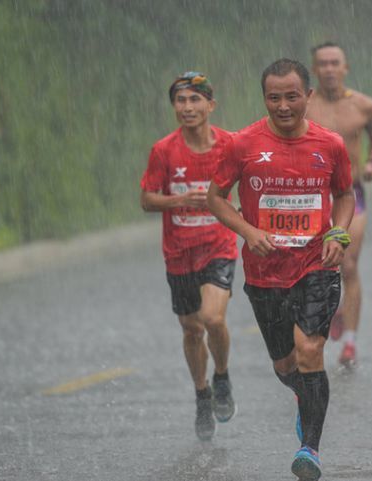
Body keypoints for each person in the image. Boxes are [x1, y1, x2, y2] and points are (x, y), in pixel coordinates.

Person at [207, 58, 354, 481]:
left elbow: (344, 195)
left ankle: (310, 448)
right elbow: (215, 198)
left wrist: (337, 235)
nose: (284, 106)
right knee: (286, 366)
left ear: (308, 95)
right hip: (265, 271)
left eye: (292, 96)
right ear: (264, 98)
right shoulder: (242, 144)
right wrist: (248, 231)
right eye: (275, 98)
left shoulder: (331, 144)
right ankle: (303, 397)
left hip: (316, 265)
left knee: (310, 351)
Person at [140, 72, 238, 442]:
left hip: (219, 245)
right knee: (191, 328)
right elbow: (147, 199)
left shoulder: (230, 144)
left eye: (195, 100)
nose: (187, 108)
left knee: (213, 317)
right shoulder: (164, 151)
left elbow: (254, 176)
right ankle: (202, 393)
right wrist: (180, 199)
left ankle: (223, 376)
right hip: (179, 252)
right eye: (180, 101)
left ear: (211, 105)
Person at [305, 42, 372, 367]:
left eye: (334, 63)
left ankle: (350, 341)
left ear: (345, 67)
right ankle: (329, 312)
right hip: (312, 194)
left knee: (348, 263)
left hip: (351, 193)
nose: (328, 69)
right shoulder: (304, 105)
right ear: (314, 69)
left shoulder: (365, 106)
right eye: (322, 63)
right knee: (316, 266)